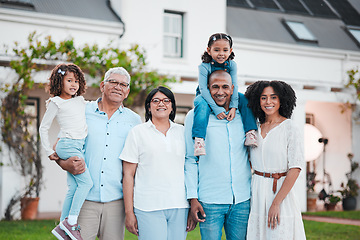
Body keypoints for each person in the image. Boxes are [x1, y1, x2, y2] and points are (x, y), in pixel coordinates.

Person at [56, 67, 142, 240]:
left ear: (127, 92)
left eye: (123, 84)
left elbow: (138, 163)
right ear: (103, 85)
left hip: (116, 203)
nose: (118, 87)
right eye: (114, 82)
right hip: (84, 201)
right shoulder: (81, 111)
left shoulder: (134, 121)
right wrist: (66, 164)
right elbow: (59, 146)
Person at [121, 86, 196, 240]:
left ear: (172, 106)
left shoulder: (183, 132)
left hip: (179, 205)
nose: (161, 104)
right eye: (155, 100)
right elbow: (128, 174)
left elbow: (190, 168)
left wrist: (191, 203)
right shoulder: (138, 132)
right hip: (147, 206)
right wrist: (129, 212)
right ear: (149, 107)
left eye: (166, 100)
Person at [184, 70, 252, 240]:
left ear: (232, 89)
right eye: (215, 87)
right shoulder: (194, 116)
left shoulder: (244, 116)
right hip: (209, 200)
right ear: (207, 88)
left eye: (225, 87)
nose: (220, 92)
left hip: (242, 200)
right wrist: (193, 198)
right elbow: (190, 159)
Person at [244, 80, 306, 239]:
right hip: (257, 191)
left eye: (273, 97)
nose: (268, 102)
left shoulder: (290, 128)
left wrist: (276, 203)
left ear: (282, 100)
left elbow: (295, 168)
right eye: (263, 97)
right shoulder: (255, 128)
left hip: (279, 193)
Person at [39, 63, 93, 240]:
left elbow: (89, 109)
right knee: (86, 183)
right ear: (59, 82)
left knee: (73, 187)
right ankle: (71, 222)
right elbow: (43, 128)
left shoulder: (79, 101)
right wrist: (48, 150)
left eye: (76, 81)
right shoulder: (56, 102)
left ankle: (63, 224)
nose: (73, 84)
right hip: (68, 145)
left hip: (78, 145)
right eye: (69, 80)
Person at [192, 33, 257, 156]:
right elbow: (203, 89)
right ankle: (199, 140)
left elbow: (234, 86)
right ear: (209, 50)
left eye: (225, 50)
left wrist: (233, 106)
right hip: (206, 93)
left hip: (226, 93)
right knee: (201, 104)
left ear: (230, 51)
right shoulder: (204, 67)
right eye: (217, 50)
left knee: (244, 99)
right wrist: (216, 109)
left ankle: (250, 132)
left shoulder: (232, 65)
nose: (221, 53)